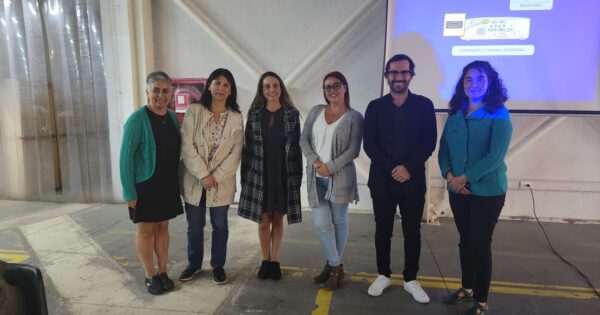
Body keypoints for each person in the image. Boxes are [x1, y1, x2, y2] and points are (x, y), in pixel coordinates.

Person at [438, 61, 512, 315]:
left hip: (487, 191)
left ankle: (481, 300)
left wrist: (464, 178)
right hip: (457, 189)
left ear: (490, 82)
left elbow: (495, 156)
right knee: (465, 242)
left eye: (480, 79)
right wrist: (448, 175)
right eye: (468, 79)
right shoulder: (456, 112)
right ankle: (467, 288)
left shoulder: (499, 114)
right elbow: (444, 150)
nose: (473, 84)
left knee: (480, 244)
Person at [363, 54, 437, 303]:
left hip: (413, 181)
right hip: (383, 181)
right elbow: (370, 145)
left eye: (404, 72)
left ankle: (410, 279)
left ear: (411, 75)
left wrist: (409, 168)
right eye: (394, 72)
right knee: (382, 231)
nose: (399, 77)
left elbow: (429, 142)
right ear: (387, 76)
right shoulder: (375, 107)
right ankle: (383, 274)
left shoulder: (424, 105)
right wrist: (395, 168)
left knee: (412, 232)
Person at [120, 71, 183, 295]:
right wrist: (129, 192)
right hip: (144, 185)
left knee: (163, 228)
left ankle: (163, 271)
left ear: (171, 94)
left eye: (165, 90)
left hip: (166, 183)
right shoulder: (137, 119)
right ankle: (150, 274)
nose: (160, 95)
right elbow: (125, 158)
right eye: (155, 90)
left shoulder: (173, 118)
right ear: (147, 91)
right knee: (146, 230)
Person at [179, 68, 244, 285]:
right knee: (194, 226)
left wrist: (215, 177)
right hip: (195, 179)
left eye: (226, 84)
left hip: (221, 182)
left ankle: (218, 265)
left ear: (231, 90)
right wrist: (203, 175)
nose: (221, 88)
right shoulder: (195, 110)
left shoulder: (236, 117)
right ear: (209, 85)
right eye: (217, 83)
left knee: (220, 226)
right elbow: (186, 145)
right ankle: (194, 264)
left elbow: (236, 152)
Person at [299, 71, 363, 289]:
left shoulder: (355, 117)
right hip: (315, 176)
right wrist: (316, 163)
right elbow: (304, 139)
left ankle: (331, 266)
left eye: (336, 85)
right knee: (320, 224)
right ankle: (336, 265)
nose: (332, 90)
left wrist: (331, 167)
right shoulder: (316, 111)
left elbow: (354, 150)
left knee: (339, 222)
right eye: (327, 87)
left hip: (341, 177)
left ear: (345, 87)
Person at [238, 71, 302, 280]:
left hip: (283, 172)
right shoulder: (254, 114)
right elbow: (247, 148)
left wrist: (297, 178)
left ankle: (275, 261)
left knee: (278, 219)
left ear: (281, 88)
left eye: (275, 86)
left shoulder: (292, 114)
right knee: (263, 221)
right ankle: (265, 260)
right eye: (267, 86)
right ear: (262, 90)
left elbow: (296, 149)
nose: (272, 90)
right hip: (260, 173)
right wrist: (245, 178)